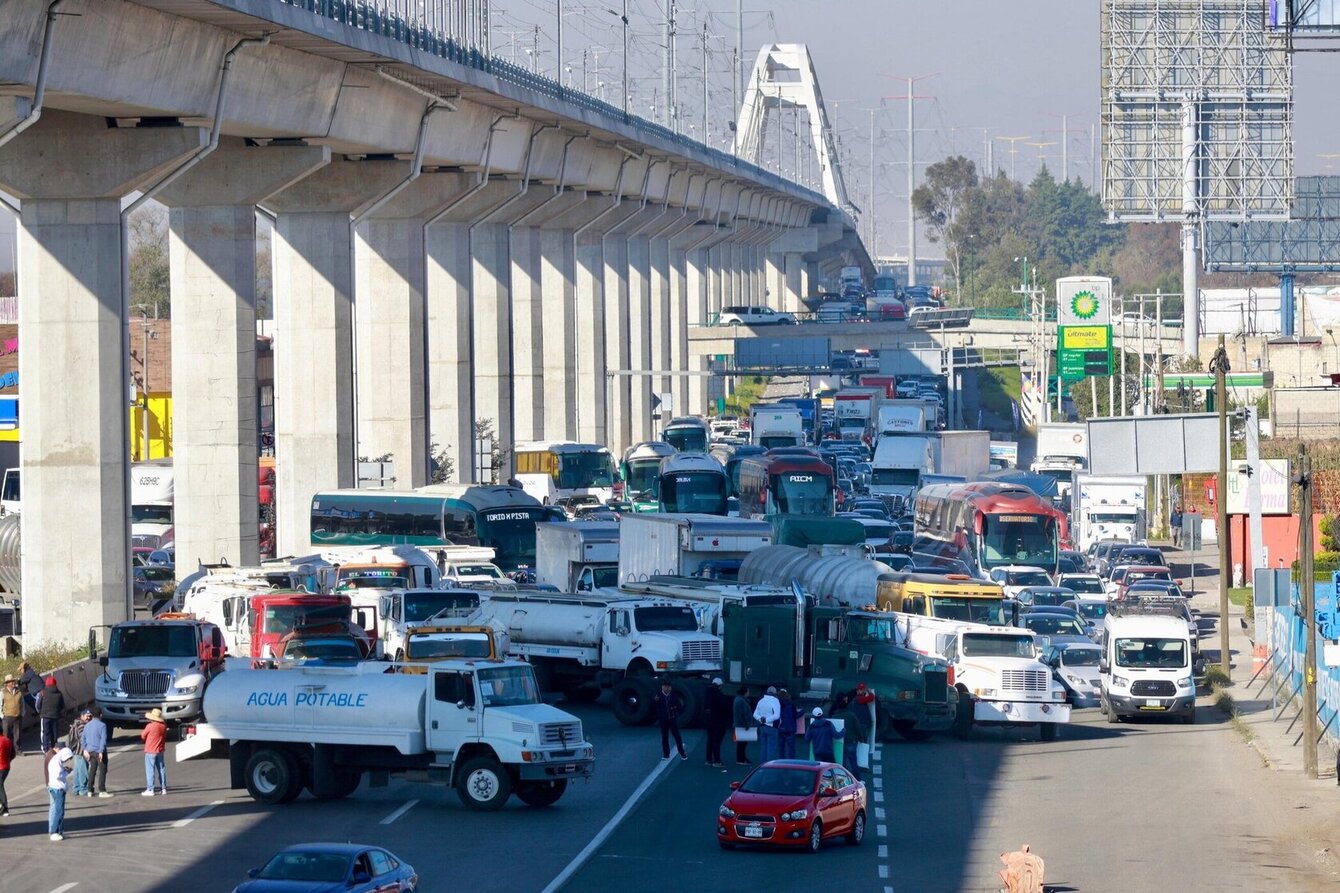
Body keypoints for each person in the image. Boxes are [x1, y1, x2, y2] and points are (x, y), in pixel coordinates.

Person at [833, 695, 870, 778]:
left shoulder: (835, 716)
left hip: (840, 743)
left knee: (842, 763)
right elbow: (857, 728)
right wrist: (861, 738)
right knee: (853, 762)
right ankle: (857, 779)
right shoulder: (851, 715)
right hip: (851, 741)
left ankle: (844, 779)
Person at [45, 742, 74, 841]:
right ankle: (54, 832)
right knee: (59, 811)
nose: (66, 760)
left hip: (55, 787)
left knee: (60, 811)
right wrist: (65, 772)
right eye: (67, 758)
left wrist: (64, 771)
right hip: (57, 788)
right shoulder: (56, 761)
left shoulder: (56, 759)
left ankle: (59, 831)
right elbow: (58, 775)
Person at [652, 680, 687, 761]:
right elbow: (653, 707)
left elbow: (679, 706)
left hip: (672, 719)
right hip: (663, 720)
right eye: (665, 686)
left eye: (668, 686)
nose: (666, 688)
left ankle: (682, 753)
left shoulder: (674, 696)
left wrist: (675, 709)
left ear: (670, 687)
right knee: (664, 737)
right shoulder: (658, 696)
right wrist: (655, 701)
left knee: (677, 736)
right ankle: (666, 754)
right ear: (662, 687)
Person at [81, 708, 111, 798]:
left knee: (92, 770)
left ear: (92, 715)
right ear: (101, 715)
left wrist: (85, 749)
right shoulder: (102, 725)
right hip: (99, 751)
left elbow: (83, 739)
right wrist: (101, 751)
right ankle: (102, 790)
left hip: (90, 751)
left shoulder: (87, 725)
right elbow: (103, 739)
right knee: (102, 770)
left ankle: (90, 790)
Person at [702, 678, 730, 768]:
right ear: (720, 686)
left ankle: (709, 759)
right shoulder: (720, 696)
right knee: (717, 741)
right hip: (718, 722)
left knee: (710, 740)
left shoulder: (707, 694)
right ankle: (717, 760)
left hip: (709, 721)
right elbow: (724, 709)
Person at [141, 708, 167, 795]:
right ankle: (163, 788)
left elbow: (143, 736)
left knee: (150, 770)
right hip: (160, 750)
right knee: (161, 769)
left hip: (150, 750)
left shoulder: (150, 726)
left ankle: (150, 789)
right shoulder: (163, 726)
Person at [752, 685, 781, 763]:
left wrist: (760, 719)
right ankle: (770, 767)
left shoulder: (761, 701)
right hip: (772, 727)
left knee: (763, 748)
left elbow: (754, 714)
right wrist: (767, 720)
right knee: (771, 748)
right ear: (775, 693)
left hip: (762, 727)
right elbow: (777, 715)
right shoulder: (775, 701)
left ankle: (763, 766)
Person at [37, 677, 63, 754]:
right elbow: (62, 705)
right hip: (55, 716)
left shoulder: (43, 692)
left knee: (46, 733)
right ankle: (54, 747)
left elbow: (38, 705)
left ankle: (46, 750)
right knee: (54, 733)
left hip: (45, 716)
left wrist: (41, 712)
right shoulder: (59, 693)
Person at [67, 710, 89, 797]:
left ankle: (76, 788)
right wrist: (85, 750)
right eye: (87, 716)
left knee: (77, 770)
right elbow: (82, 738)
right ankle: (83, 789)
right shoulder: (82, 726)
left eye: (90, 716)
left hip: (76, 751)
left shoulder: (76, 724)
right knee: (83, 770)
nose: (88, 718)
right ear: (82, 716)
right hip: (81, 751)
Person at [732, 685, 754, 766]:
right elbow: (743, 714)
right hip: (742, 725)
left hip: (739, 724)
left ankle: (742, 758)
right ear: (745, 692)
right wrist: (747, 724)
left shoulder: (738, 699)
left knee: (741, 743)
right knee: (742, 743)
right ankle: (741, 759)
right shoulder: (742, 701)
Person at [2, 674, 21, 752]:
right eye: (11, 682)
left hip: (17, 716)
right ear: (7, 683)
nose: (13, 683)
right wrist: (2, 716)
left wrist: (22, 713)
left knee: (17, 734)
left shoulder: (18, 691)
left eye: (13, 681)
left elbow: (21, 702)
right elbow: (0, 704)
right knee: (6, 735)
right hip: (7, 717)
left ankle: (17, 749)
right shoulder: (2, 692)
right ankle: (6, 750)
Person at [777, 688, 798, 759]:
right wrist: (802, 711)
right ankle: (791, 763)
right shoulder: (791, 704)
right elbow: (796, 715)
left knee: (781, 749)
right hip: (790, 729)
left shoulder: (777, 704)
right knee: (791, 749)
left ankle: (781, 763)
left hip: (780, 729)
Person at [0, 725, 12, 816]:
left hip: (0, 767)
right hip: (6, 766)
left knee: (0, 787)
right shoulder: (7, 740)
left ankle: (4, 808)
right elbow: (13, 753)